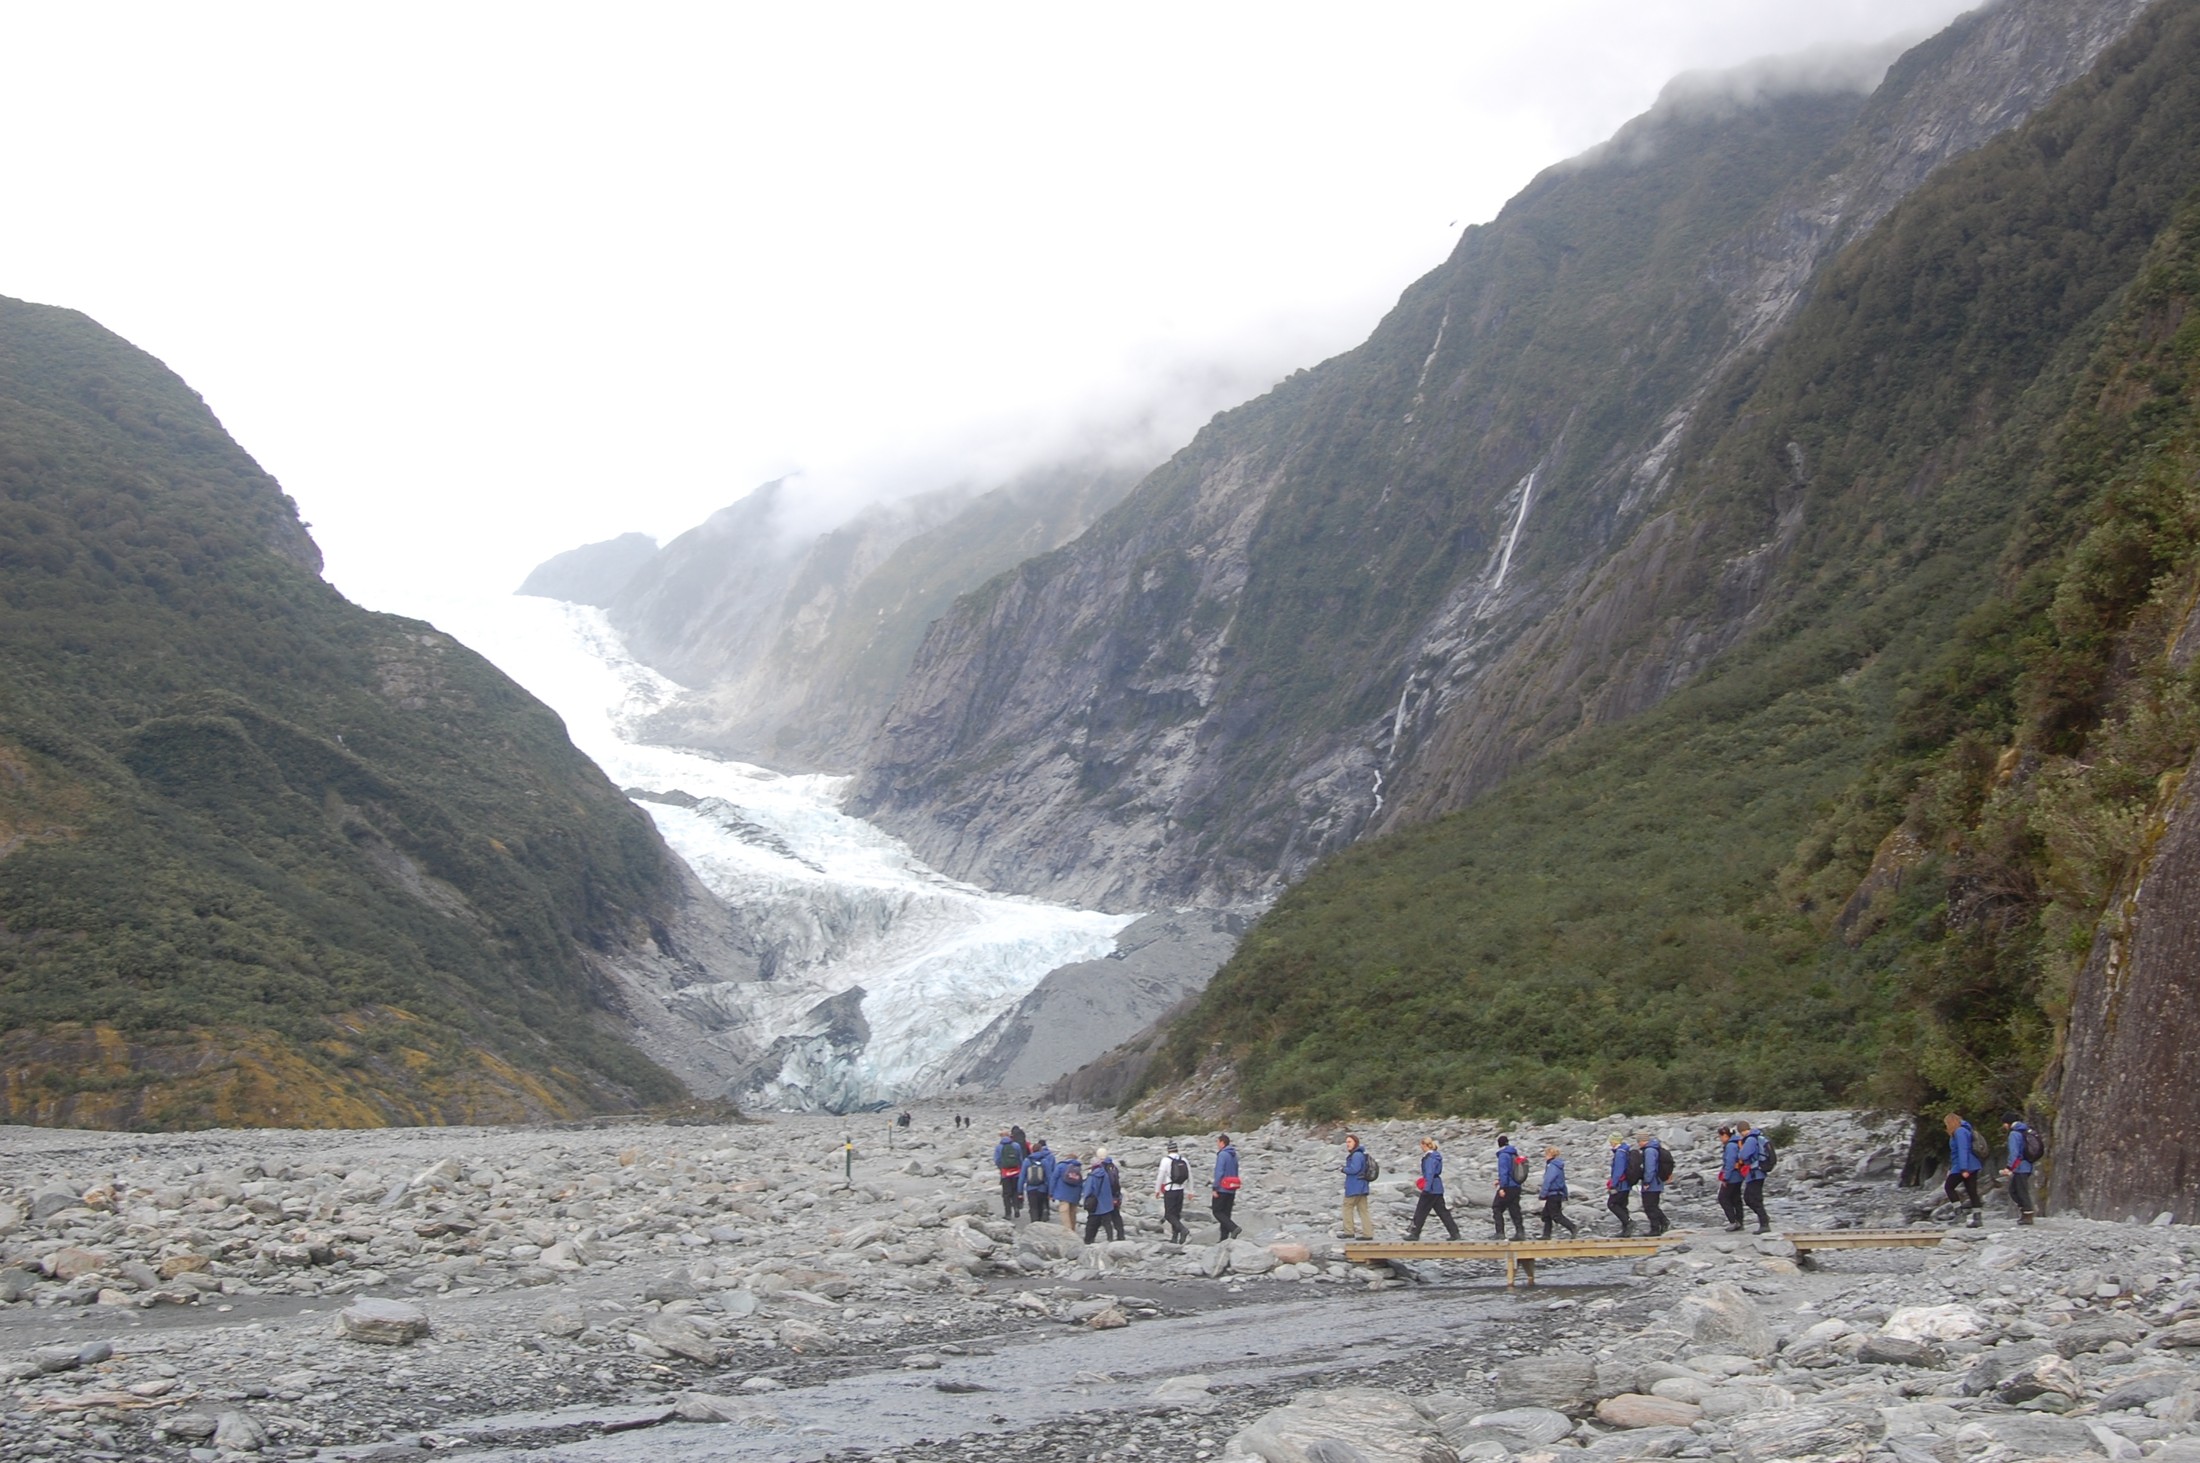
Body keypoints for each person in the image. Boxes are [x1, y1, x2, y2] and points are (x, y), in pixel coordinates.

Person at [1405, 1137, 1462, 1241]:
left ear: (1424, 1145)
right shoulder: (1436, 1156)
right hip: (1437, 1188)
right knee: (1442, 1212)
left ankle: (1415, 1233)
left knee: (1421, 1211)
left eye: (1421, 1145)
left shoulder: (1429, 1158)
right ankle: (1455, 1233)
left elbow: (1430, 1173)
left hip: (1430, 1189)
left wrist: (1426, 1188)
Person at [1943, 1112, 1984, 1228]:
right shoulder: (1966, 1130)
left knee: (1949, 1187)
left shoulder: (1959, 1132)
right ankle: (1977, 1217)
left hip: (1963, 1165)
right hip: (1973, 1165)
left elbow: (1962, 1150)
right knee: (1972, 1191)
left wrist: (1963, 1168)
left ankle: (1959, 1214)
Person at [2000, 1115, 2038, 1225]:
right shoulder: (2024, 1130)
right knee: (2016, 1190)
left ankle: (2027, 1215)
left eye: (2004, 1123)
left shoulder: (2014, 1134)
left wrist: (2009, 1167)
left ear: (2007, 1123)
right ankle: (2025, 1213)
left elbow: (2015, 1153)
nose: (2003, 1126)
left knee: (2019, 1191)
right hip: (2026, 1166)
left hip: (2020, 1167)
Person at [1736, 1120, 1772, 1234]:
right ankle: (1764, 1219)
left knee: (1751, 1198)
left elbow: (1743, 1155)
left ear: (1741, 1131)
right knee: (1755, 1197)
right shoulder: (1758, 1136)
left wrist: (1741, 1150)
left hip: (1755, 1173)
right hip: (1759, 1171)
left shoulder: (1750, 1139)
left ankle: (1764, 1222)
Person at [1155, 1140, 1194, 1243]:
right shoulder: (1184, 1160)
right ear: (1177, 1149)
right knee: (1176, 1214)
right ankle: (1175, 1237)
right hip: (1181, 1190)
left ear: (1168, 1150)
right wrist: (1191, 1191)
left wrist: (1157, 1190)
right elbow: (1190, 1176)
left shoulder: (1165, 1160)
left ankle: (1183, 1230)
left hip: (1170, 1190)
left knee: (1169, 1215)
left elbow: (1160, 1176)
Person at [1080, 1148, 1121, 1245]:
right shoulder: (1107, 1173)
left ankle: (1088, 1240)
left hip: (1096, 1203)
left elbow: (1088, 1190)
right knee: (1107, 1222)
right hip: (1107, 1202)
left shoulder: (1092, 1176)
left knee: (1091, 1223)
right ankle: (1110, 1239)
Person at [1537, 1144, 1579, 1238]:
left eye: (1546, 1154)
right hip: (1558, 1193)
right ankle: (1546, 1235)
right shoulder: (1558, 1166)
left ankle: (1572, 1227)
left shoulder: (1552, 1166)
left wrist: (1543, 1194)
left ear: (1550, 1155)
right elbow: (1562, 1181)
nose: (1545, 1156)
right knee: (1546, 1215)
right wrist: (1564, 1193)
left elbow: (1548, 1180)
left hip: (1553, 1194)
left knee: (1556, 1215)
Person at [1492, 1134, 1527, 1241]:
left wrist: (1502, 1187)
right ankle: (1520, 1232)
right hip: (1516, 1186)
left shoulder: (1503, 1155)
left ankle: (1500, 1233)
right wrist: (1500, 1180)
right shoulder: (1514, 1154)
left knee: (1496, 1207)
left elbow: (1504, 1172)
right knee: (1514, 1209)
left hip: (1508, 1187)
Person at [1340, 1134, 1374, 1241]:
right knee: (1363, 1210)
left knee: (1347, 1207)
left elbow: (1355, 1169)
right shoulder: (1361, 1155)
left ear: (1355, 1142)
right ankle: (1368, 1233)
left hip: (1355, 1186)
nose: (1347, 1144)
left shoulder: (1356, 1155)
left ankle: (1348, 1231)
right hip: (1363, 1187)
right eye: (1347, 1142)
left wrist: (1344, 1169)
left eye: (1349, 1142)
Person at [1212, 1133, 1243, 1242]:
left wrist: (1215, 1187)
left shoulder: (1222, 1155)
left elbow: (1219, 1172)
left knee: (1217, 1211)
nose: (1217, 1144)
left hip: (1222, 1187)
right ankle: (1223, 1238)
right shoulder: (1234, 1155)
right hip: (1232, 1187)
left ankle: (1233, 1228)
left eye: (1218, 1142)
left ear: (1222, 1142)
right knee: (1226, 1213)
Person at [1637, 1132, 1669, 1236]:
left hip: (1652, 1183)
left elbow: (1650, 1168)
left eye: (1639, 1141)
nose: (1638, 1144)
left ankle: (1655, 1228)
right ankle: (1663, 1222)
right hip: (1658, 1182)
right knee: (1654, 1205)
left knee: (1649, 1206)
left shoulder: (1649, 1151)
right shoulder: (1655, 1148)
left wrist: (1647, 1182)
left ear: (1642, 1141)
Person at [992, 1127, 1027, 1221]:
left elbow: (997, 1160)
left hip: (1005, 1173)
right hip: (1016, 1172)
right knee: (1015, 1191)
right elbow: (1020, 1158)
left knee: (1006, 1194)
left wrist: (1001, 1168)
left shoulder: (999, 1147)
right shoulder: (1016, 1145)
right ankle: (1016, 1208)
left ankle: (1008, 1213)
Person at [1605, 1135, 1636, 1238]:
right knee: (1622, 1205)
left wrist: (1613, 1184)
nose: (1610, 1143)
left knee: (1612, 1204)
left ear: (1614, 1141)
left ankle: (1628, 1222)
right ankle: (1626, 1230)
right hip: (1626, 1184)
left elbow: (1619, 1170)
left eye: (1611, 1141)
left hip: (1621, 1185)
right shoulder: (1625, 1150)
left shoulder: (1619, 1153)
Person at [1049, 1145, 1085, 1233]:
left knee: (1064, 1211)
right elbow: (1081, 1181)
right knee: (1073, 1212)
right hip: (1075, 1194)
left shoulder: (1061, 1166)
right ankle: (1073, 1229)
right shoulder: (1078, 1168)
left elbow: (1053, 1179)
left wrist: (1051, 1192)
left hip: (1063, 1193)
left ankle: (1068, 1230)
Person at [1716, 1125, 1745, 1231]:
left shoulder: (1730, 1146)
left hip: (1732, 1177)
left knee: (1723, 1198)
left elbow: (1730, 1162)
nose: (1720, 1139)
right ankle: (1740, 1221)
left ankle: (1733, 1221)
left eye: (1720, 1137)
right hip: (1739, 1176)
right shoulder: (1737, 1142)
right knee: (1736, 1199)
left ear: (1725, 1135)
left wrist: (1725, 1178)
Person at [1022, 1140, 1052, 1225]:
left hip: (1030, 1188)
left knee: (1033, 1207)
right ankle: (1040, 1224)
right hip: (1042, 1188)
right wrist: (1051, 1191)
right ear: (1040, 1150)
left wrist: (1020, 1191)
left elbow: (1022, 1176)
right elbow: (1049, 1177)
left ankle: (1034, 1224)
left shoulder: (1027, 1161)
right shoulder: (1045, 1161)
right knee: (1040, 1207)